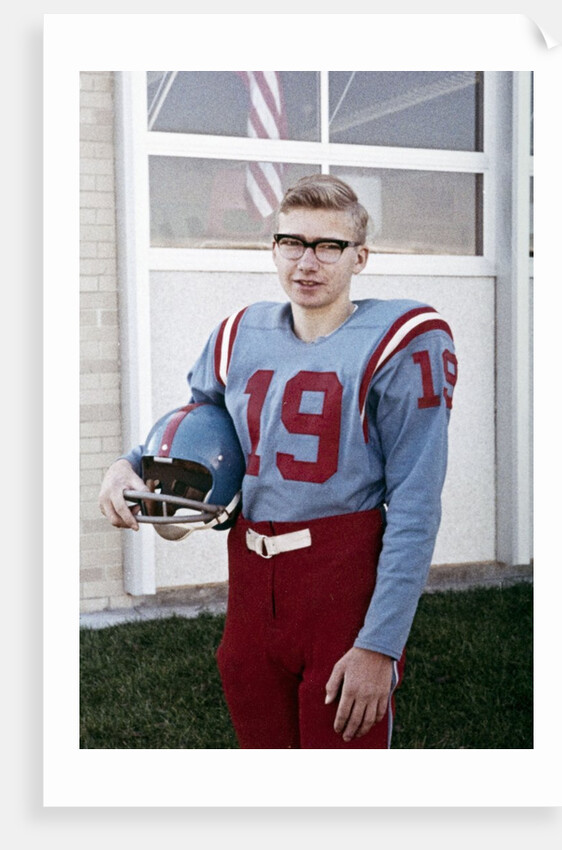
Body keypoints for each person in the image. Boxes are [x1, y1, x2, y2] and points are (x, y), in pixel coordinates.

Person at [99, 174, 457, 749]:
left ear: (360, 257)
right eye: (292, 242)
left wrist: (380, 645)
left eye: (328, 246)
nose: (307, 262)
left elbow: (415, 504)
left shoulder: (403, 338)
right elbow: (198, 425)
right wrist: (129, 464)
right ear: (274, 248)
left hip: (343, 581)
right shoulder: (239, 332)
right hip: (250, 584)